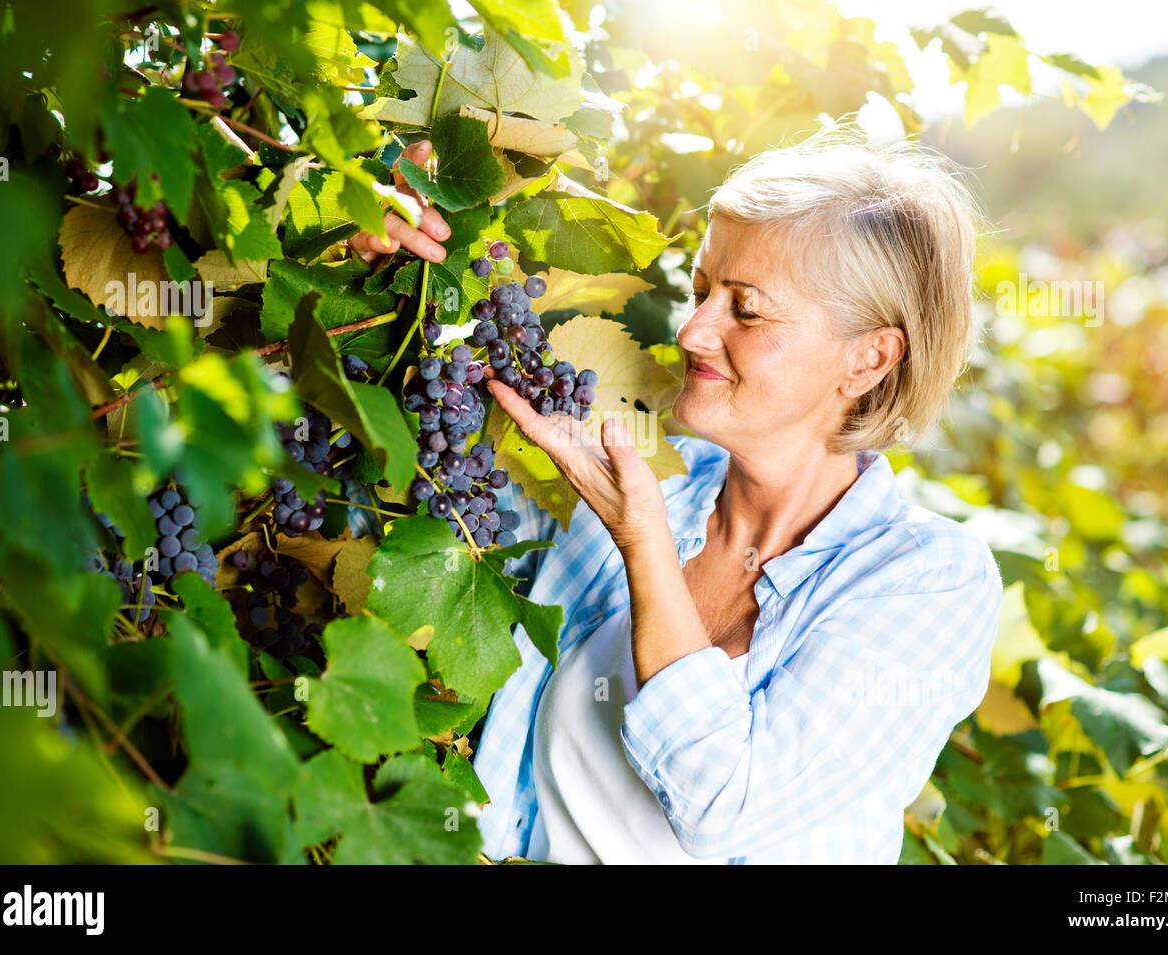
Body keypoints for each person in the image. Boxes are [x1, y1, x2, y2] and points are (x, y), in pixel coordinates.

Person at [351, 127, 1004, 864]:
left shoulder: (929, 579)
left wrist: (646, 547)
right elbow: (399, 497)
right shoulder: (655, 475)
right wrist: (385, 274)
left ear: (868, 357)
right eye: (700, 292)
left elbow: (722, 803)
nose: (693, 330)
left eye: (746, 309)